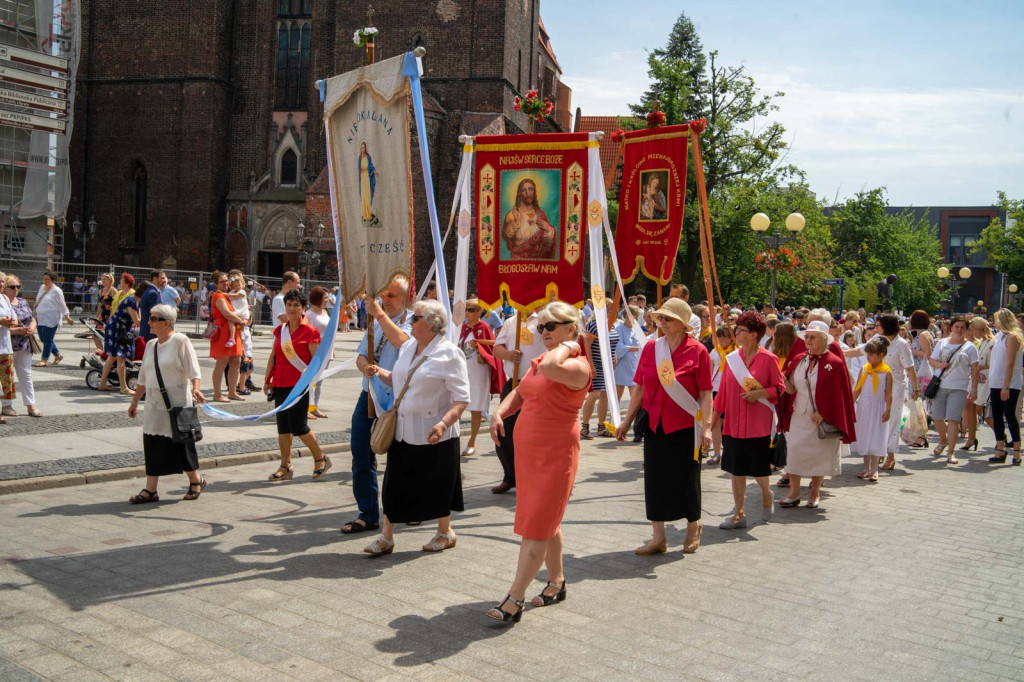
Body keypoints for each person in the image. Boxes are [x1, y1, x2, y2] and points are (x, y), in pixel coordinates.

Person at [486, 301, 591, 623]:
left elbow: (548, 371)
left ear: (571, 328)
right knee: (546, 522)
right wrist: (500, 412)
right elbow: (521, 391)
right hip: (529, 457)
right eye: (540, 327)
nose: (542, 332)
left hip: (555, 456)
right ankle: (556, 582)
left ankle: (514, 598)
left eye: (550, 326)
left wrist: (572, 344)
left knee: (536, 527)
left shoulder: (578, 366)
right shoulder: (544, 358)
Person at [361, 300, 470, 556]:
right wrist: (380, 372)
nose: (410, 322)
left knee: (438, 486)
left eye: (415, 318)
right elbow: (402, 380)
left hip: (435, 434)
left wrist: (444, 424)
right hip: (402, 430)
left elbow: (462, 398)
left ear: (432, 324)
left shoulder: (450, 354)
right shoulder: (409, 346)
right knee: (393, 485)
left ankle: (445, 532)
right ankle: (386, 537)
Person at [615, 298, 711, 555]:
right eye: (660, 318)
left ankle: (694, 525)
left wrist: (708, 427)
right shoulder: (651, 349)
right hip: (655, 424)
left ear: (682, 324)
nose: (662, 323)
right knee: (655, 481)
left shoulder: (698, 351)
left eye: (667, 319)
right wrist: (626, 420)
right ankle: (658, 537)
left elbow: (705, 393)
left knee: (687, 478)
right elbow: (639, 389)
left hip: (686, 426)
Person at [342, 275, 412, 534]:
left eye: (392, 296)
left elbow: (404, 344)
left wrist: (379, 313)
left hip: (398, 399)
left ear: (406, 298)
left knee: (401, 458)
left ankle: (407, 507)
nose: (386, 300)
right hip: (369, 394)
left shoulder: (411, 321)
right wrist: (366, 368)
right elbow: (361, 355)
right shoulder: (377, 320)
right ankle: (368, 512)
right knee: (360, 453)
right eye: (384, 295)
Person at [126, 304, 207, 504]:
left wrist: (196, 389)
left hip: (177, 401)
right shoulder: (151, 345)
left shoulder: (180, 341)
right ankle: (150, 489)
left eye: (153, 319)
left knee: (182, 443)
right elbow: (143, 377)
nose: (149, 322)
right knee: (153, 443)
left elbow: (194, 371)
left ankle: (196, 480)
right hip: (154, 403)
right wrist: (135, 401)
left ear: (166, 322)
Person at [712, 311, 785, 528]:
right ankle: (739, 515)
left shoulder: (768, 359)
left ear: (753, 334)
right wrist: (712, 422)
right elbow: (723, 393)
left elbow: (779, 389)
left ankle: (766, 493)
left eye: (741, 330)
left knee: (759, 470)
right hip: (733, 425)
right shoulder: (732, 359)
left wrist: (758, 394)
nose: (736, 333)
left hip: (758, 426)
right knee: (737, 470)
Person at [780, 321, 856, 508]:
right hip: (800, 415)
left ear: (824, 340)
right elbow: (791, 390)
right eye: (806, 337)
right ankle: (794, 491)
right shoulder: (799, 359)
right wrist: (782, 380)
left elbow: (840, 394)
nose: (808, 340)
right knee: (795, 453)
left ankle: (814, 492)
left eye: (812, 337)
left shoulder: (835, 363)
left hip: (821, 420)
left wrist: (824, 413)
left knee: (820, 456)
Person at [264, 289, 331, 482]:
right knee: (283, 427)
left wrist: (308, 372)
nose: (292, 308)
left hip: (299, 385)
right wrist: (267, 379)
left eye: (296, 305)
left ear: (303, 308)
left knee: (299, 425)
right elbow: (274, 355)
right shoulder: (281, 330)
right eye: (289, 305)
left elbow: (316, 360)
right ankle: (285, 466)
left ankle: (320, 458)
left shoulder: (310, 331)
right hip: (280, 382)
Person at [845, 313, 918, 471]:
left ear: (887, 326)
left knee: (891, 420)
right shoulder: (876, 339)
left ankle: (890, 455)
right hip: (873, 385)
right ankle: (876, 452)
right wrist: (840, 353)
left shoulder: (902, 344)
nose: (876, 328)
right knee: (875, 420)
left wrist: (915, 388)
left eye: (878, 325)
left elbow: (910, 368)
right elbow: (860, 351)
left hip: (895, 385)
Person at [489, 305, 547, 493]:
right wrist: (507, 354)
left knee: (535, 434)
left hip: (539, 384)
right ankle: (510, 476)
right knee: (503, 431)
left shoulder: (544, 320)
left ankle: (535, 478)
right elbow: (497, 347)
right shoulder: (510, 322)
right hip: (514, 383)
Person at [927, 316, 980, 464]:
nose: (959, 329)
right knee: (937, 417)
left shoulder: (970, 347)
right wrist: (939, 365)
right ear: (951, 327)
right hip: (940, 385)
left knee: (953, 419)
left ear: (967, 330)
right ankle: (943, 440)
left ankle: (951, 452)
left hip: (959, 387)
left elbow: (975, 369)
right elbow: (931, 360)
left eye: (963, 327)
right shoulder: (942, 343)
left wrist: (974, 389)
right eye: (957, 326)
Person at [458, 298, 505, 456]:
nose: (467, 313)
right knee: (457, 404)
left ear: (479, 312)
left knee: (476, 408)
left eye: (471, 310)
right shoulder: (463, 327)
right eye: (466, 309)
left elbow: (494, 343)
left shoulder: (483, 327)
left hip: (479, 371)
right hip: (463, 370)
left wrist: (479, 345)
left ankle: (472, 442)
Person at [850, 337, 893, 482]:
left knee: (876, 436)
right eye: (867, 354)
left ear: (881, 355)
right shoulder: (864, 369)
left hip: (878, 407)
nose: (868, 357)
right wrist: (850, 404)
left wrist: (888, 409)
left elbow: (888, 393)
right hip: (864, 406)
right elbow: (857, 389)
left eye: (872, 354)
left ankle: (874, 469)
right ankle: (866, 468)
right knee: (864, 434)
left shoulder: (886, 372)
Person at [987, 309, 1023, 465]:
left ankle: (1017, 450)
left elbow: (1010, 363)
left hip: (1008, 383)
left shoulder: (1012, 337)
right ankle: (1000, 447)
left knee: (1009, 415)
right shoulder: (1000, 336)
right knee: (997, 415)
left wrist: (1005, 386)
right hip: (996, 381)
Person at [2, 275, 41, 417]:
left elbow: (32, 318)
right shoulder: (3, 303)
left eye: (18, 286)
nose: (16, 289)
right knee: (7, 375)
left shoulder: (23, 301)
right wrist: (17, 330)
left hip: (24, 343)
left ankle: (31, 405)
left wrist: (32, 327)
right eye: (12, 287)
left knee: (25, 374)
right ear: (4, 288)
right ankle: (6, 405)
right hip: (6, 343)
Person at [207, 271, 247, 402]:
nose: (226, 283)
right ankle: (217, 394)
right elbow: (226, 314)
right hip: (223, 331)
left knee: (236, 361)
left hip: (232, 330)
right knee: (222, 362)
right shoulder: (218, 296)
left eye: (226, 281)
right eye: (222, 282)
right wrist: (242, 321)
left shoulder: (226, 295)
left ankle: (232, 392)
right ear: (216, 284)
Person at [502, 178, 556, 260]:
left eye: (530, 189)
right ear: (520, 193)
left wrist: (549, 230)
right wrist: (516, 222)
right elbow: (506, 236)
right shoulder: (512, 214)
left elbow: (548, 244)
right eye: (524, 190)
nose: (528, 193)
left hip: (538, 262)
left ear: (534, 192)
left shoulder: (541, 214)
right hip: (518, 261)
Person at [706, 325, 736, 466]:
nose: (722, 340)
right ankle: (717, 453)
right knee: (715, 423)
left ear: (732, 338)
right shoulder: (715, 352)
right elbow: (709, 371)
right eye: (719, 337)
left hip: (730, 391)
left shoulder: (737, 352)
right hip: (716, 390)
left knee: (728, 423)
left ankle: (729, 452)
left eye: (725, 337)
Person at [964, 317, 995, 451]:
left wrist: (980, 367)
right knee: (970, 405)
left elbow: (994, 364)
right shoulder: (982, 343)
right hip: (978, 380)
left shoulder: (992, 343)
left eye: (973, 329)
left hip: (987, 380)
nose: (971, 332)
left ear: (980, 328)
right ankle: (971, 437)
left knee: (980, 410)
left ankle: (999, 434)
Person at [303, 286, 333, 419]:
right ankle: (305, 408)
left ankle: (315, 407)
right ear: (317, 298)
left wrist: (332, 348)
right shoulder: (309, 315)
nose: (327, 300)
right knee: (310, 381)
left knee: (319, 381)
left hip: (326, 350)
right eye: (325, 298)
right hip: (314, 351)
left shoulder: (325, 313)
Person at [33, 271, 73, 366]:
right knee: (43, 338)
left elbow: (62, 305)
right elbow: (38, 299)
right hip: (41, 318)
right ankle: (58, 355)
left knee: (47, 339)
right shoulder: (42, 288)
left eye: (48, 279)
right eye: (44, 279)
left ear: (53, 280)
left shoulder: (56, 291)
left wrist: (67, 316)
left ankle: (44, 360)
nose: (45, 281)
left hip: (51, 318)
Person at [93, 273, 117, 352]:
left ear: (110, 280)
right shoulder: (101, 291)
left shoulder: (113, 291)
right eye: (102, 279)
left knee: (107, 336)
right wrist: (96, 316)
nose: (102, 281)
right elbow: (99, 305)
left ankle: (107, 353)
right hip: (102, 316)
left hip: (110, 316)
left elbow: (115, 305)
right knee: (96, 335)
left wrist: (111, 316)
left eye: (104, 279)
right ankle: (101, 351)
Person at [138, 271, 164, 341]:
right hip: (152, 332)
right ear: (155, 278)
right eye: (162, 278)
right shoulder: (153, 293)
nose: (164, 281)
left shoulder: (148, 291)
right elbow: (155, 314)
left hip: (147, 331)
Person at [358, 141, 379, 224]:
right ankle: (364, 214)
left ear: (365, 148)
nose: (362, 149)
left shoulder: (368, 156)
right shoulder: (360, 157)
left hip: (367, 177)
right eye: (361, 147)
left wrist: (374, 171)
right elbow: (359, 169)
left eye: (363, 147)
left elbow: (370, 165)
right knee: (363, 196)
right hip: (362, 178)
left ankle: (368, 214)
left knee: (367, 195)